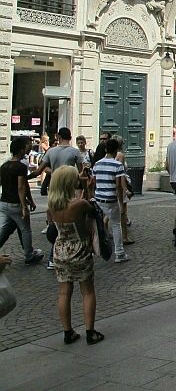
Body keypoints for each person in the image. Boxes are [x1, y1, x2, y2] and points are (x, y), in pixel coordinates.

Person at [47, 165, 103, 345]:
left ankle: (67, 332)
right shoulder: (79, 205)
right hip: (79, 249)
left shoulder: (52, 204)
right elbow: (90, 208)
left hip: (60, 250)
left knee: (64, 293)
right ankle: (90, 331)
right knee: (87, 291)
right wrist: (86, 186)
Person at [0, 137, 44, 265]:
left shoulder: (4, 166)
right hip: (15, 204)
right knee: (25, 229)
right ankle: (29, 255)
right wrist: (24, 205)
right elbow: (21, 186)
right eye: (27, 145)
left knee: (4, 229)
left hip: (4, 202)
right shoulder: (20, 166)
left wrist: (29, 198)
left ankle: (29, 253)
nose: (29, 147)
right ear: (21, 149)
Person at [91, 137, 129, 263]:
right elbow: (118, 185)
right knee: (116, 225)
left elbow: (94, 182)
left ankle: (97, 251)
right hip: (111, 199)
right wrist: (121, 202)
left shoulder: (97, 164)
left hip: (99, 198)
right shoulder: (118, 165)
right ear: (116, 150)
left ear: (106, 149)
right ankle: (119, 253)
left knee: (98, 226)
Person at [75, 136, 93, 200]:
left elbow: (93, 163)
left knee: (88, 192)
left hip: (88, 175)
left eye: (82, 143)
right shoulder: (76, 153)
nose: (80, 144)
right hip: (78, 175)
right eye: (79, 143)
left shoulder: (90, 152)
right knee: (78, 192)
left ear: (85, 143)